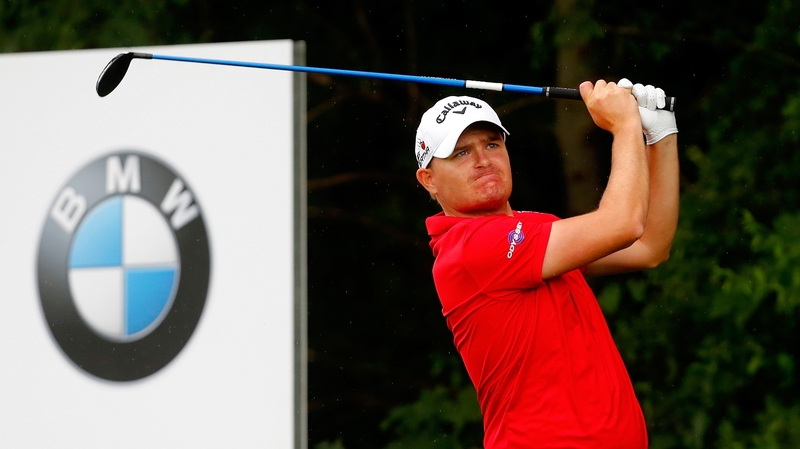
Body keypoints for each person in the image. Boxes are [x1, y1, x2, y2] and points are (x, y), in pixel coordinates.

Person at [414, 79, 679, 448]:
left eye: (492, 144)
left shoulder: (534, 229)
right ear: (429, 181)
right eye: (460, 153)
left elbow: (650, 245)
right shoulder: (468, 249)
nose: (483, 160)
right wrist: (625, 126)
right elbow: (624, 223)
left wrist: (661, 133)